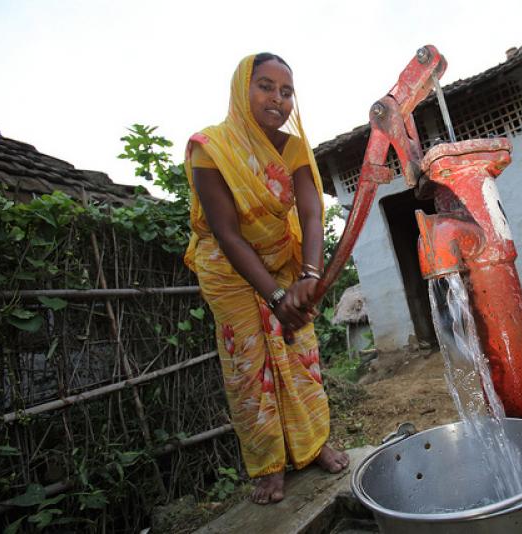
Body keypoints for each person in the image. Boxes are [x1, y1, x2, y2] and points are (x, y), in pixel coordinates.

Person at [183, 52, 349, 505]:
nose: (278, 98)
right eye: (266, 86)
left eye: (287, 91)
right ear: (243, 89)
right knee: (248, 367)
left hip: (282, 262)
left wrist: (309, 276)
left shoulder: (293, 148)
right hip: (229, 271)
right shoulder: (210, 147)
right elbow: (226, 232)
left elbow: (312, 214)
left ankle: (313, 444)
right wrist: (275, 295)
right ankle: (268, 465)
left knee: (301, 354)